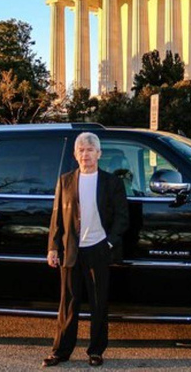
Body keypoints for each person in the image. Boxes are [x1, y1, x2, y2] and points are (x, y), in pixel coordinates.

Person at [43, 132, 129, 368]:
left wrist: (109, 242)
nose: (85, 154)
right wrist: (53, 247)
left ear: (99, 154)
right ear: (75, 154)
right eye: (81, 150)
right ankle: (60, 351)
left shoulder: (112, 182)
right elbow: (56, 217)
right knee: (68, 303)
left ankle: (96, 351)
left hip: (98, 250)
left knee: (98, 303)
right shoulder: (65, 180)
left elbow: (122, 217)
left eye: (90, 150)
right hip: (71, 251)